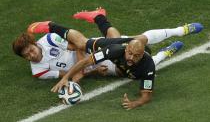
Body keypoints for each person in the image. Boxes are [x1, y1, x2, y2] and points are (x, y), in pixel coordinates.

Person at [47, 8, 202, 109]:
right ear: (127, 49)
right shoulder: (117, 49)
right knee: (81, 44)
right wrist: (66, 77)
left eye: (136, 56)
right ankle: (51, 26)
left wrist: (135, 103)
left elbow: (146, 95)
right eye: (130, 54)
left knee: (145, 65)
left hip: (128, 60)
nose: (131, 57)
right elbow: (85, 61)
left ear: (141, 55)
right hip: (115, 44)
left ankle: (165, 53)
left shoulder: (146, 64)